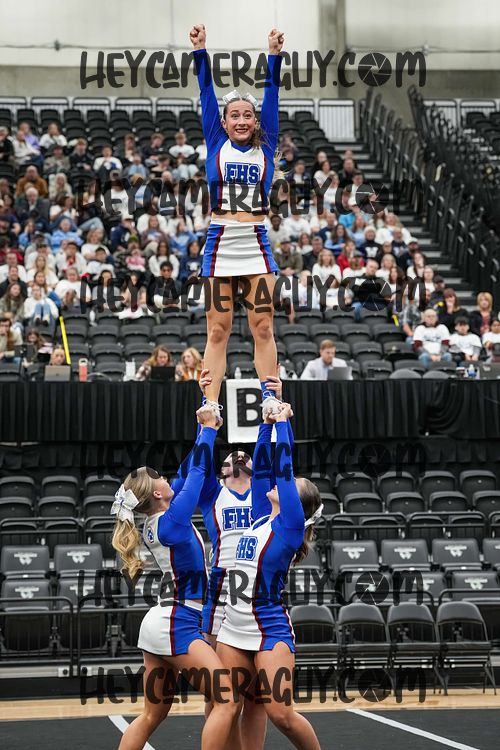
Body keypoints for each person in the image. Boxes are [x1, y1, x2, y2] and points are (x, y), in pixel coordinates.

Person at [111, 405, 240, 750]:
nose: (167, 478)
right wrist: (209, 430)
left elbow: (190, 467)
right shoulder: (171, 522)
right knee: (228, 699)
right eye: (160, 478)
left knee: (152, 715)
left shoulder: (162, 519)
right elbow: (195, 476)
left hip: (165, 619)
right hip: (176, 621)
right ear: (157, 493)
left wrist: (206, 421)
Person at [191, 23, 284, 420]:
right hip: (219, 243)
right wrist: (200, 51)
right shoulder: (216, 142)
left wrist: (273, 55)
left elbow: (273, 95)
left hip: (256, 243)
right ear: (225, 123)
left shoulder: (268, 144)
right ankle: (210, 403)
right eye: (235, 116)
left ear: (256, 121)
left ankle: (270, 396)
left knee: (263, 326)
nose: (242, 120)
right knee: (218, 329)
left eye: (248, 115)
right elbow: (205, 92)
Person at [216, 402, 322, 750]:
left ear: (296, 504)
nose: (280, 482)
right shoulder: (262, 515)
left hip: (268, 629)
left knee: (281, 715)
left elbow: (284, 469)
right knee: (236, 706)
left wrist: (283, 424)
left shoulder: (289, 528)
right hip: (233, 626)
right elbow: (263, 469)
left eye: (291, 485)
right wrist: (264, 426)